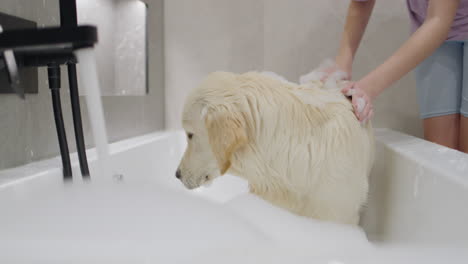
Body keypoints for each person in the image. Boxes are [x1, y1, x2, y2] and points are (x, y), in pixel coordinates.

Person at [322, 0, 468, 153]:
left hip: (437, 21)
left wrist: (367, 88)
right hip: (431, 21)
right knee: (441, 152)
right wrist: (342, 65)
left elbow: (439, 20)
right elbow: (362, 3)